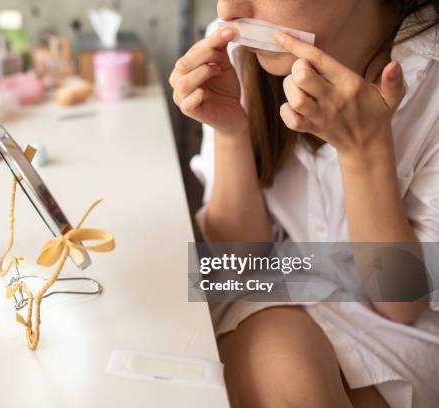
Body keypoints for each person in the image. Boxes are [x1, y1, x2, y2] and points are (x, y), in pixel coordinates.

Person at [170, 1, 439, 407]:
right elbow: (238, 262)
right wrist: (229, 132)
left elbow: (401, 305)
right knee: (282, 371)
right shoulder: (237, 48)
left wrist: (364, 153)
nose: (229, 10)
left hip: (400, 322)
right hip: (274, 290)